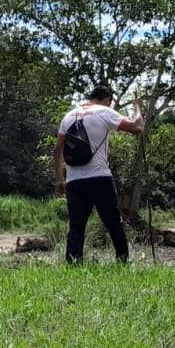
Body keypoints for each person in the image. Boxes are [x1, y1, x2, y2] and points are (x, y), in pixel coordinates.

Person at [53, 85, 144, 264]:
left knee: (76, 228)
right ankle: (123, 262)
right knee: (113, 223)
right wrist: (138, 107)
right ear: (107, 100)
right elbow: (137, 127)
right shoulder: (104, 111)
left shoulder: (69, 116)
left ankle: (73, 265)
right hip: (99, 179)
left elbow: (57, 151)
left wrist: (59, 180)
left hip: (74, 181)